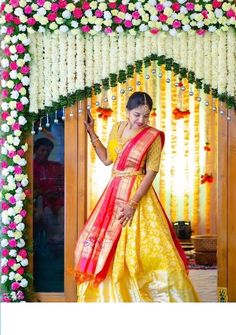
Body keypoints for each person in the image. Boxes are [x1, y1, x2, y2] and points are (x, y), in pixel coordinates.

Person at [74, 92, 200, 302]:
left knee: (143, 246)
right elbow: (107, 159)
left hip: (138, 194)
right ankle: (113, 296)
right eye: (136, 115)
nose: (141, 120)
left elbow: (151, 172)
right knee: (109, 243)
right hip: (113, 192)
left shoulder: (154, 137)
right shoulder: (117, 128)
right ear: (127, 112)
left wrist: (132, 204)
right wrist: (91, 132)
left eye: (146, 116)